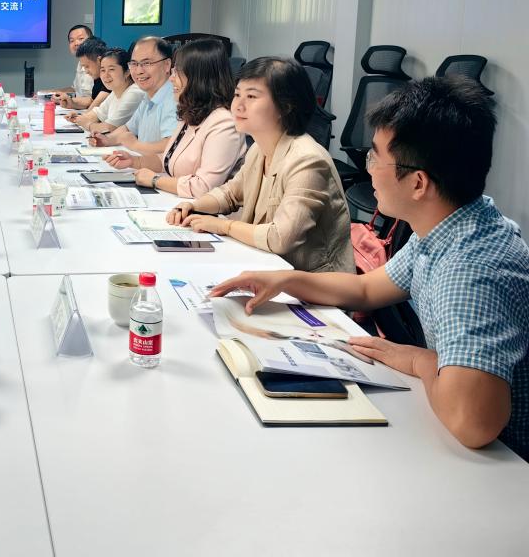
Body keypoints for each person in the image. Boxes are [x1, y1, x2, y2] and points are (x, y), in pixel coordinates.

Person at [210, 77, 529, 459]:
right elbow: (365, 289)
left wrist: (420, 359)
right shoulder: (451, 225)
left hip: (504, 463)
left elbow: (473, 424)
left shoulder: (468, 272)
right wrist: (284, 280)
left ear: (418, 183)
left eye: (375, 157)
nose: (368, 168)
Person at [168, 56, 353, 273]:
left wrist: (225, 226)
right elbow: (231, 193)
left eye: (251, 96)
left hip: (312, 282)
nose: (238, 105)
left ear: (286, 106)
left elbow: (280, 237)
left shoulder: (307, 160)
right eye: (237, 94)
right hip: (268, 268)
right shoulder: (259, 148)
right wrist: (194, 206)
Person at [104, 37, 245, 196]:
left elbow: (203, 186)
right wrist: (134, 161)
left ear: (199, 78)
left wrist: (155, 180)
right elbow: (168, 160)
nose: (171, 79)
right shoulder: (191, 115)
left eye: (177, 72)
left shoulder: (224, 123)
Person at [89, 35, 177, 155]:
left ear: (167, 65)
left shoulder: (173, 98)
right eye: (134, 64)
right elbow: (129, 128)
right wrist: (107, 139)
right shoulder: (148, 94)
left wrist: (135, 145)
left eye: (147, 63)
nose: (139, 71)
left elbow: (172, 145)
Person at [67, 48, 146, 133]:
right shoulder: (116, 92)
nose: (106, 75)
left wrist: (88, 124)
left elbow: (109, 128)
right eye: (103, 70)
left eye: (111, 69)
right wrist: (79, 118)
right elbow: (97, 114)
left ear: (127, 71)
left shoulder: (134, 93)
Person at [54, 38, 108, 110]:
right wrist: (71, 102)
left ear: (99, 60)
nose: (86, 71)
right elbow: (92, 101)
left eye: (87, 66)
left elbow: (93, 110)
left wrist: (84, 115)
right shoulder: (98, 78)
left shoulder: (110, 80)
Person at [46, 24, 94, 97]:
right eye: (72, 41)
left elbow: (93, 98)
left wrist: (71, 101)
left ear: (91, 41)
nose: (76, 43)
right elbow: (75, 89)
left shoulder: (98, 63)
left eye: (80, 39)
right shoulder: (80, 63)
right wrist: (52, 92)